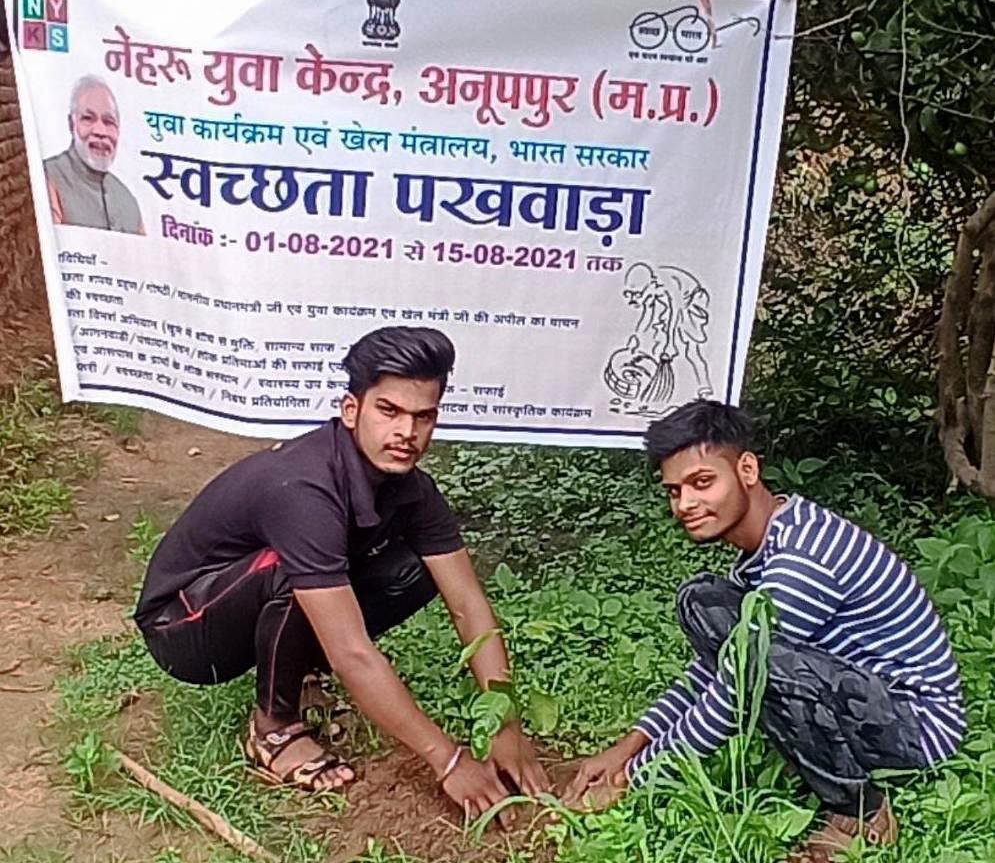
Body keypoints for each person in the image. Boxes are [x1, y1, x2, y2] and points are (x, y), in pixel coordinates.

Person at [134, 327, 548, 816]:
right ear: (352, 411)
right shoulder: (305, 488)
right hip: (184, 627)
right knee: (293, 574)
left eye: (423, 416)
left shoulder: (414, 490)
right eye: (389, 411)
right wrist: (449, 760)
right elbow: (352, 652)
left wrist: (504, 723)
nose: (407, 432)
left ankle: (300, 669)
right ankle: (273, 729)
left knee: (416, 569)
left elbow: (468, 604)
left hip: (249, 598)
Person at [566, 400, 964, 862]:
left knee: (760, 659)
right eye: (674, 491)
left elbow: (735, 689)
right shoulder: (765, 550)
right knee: (703, 601)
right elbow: (711, 671)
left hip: (916, 727)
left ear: (747, 470)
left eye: (702, 482)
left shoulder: (803, 556)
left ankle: (861, 813)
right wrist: (629, 747)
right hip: (865, 697)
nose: (685, 504)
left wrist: (635, 779)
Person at [44, 75, 144, 234]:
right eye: (88, 119)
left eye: (109, 122)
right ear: (71, 124)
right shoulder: (47, 177)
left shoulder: (127, 201)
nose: (100, 131)